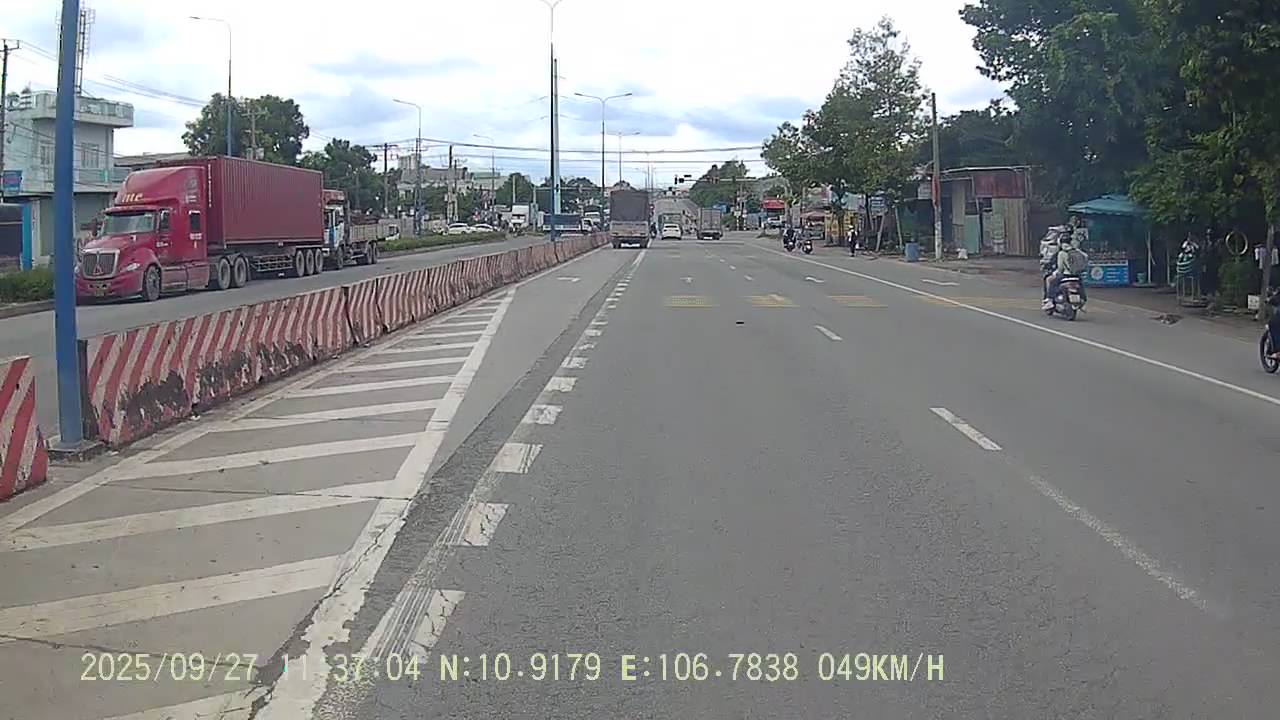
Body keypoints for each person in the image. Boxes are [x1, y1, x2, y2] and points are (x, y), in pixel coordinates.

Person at [1043, 233, 1090, 310]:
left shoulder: (1062, 253)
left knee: (1052, 282)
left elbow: (1060, 268)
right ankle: (1083, 301)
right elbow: (1086, 257)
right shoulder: (1077, 251)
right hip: (1076, 276)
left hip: (1066, 276)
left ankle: (1050, 301)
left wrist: (1056, 273)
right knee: (1081, 286)